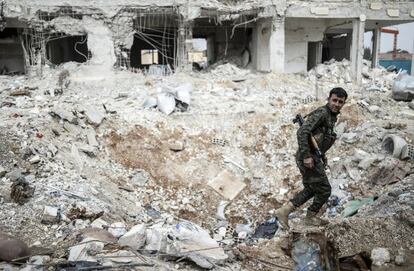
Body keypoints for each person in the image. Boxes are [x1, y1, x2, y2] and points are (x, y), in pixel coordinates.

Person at [274, 87, 348, 228]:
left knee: (312, 188)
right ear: (328, 99)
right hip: (307, 158)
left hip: (313, 157)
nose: (336, 104)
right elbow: (302, 132)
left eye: (340, 102)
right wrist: (307, 156)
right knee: (325, 189)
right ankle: (310, 217)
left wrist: (322, 156)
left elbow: (318, 138)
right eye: (334, 100)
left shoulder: (331, 117)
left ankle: (284, 211)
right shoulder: (322, 113)